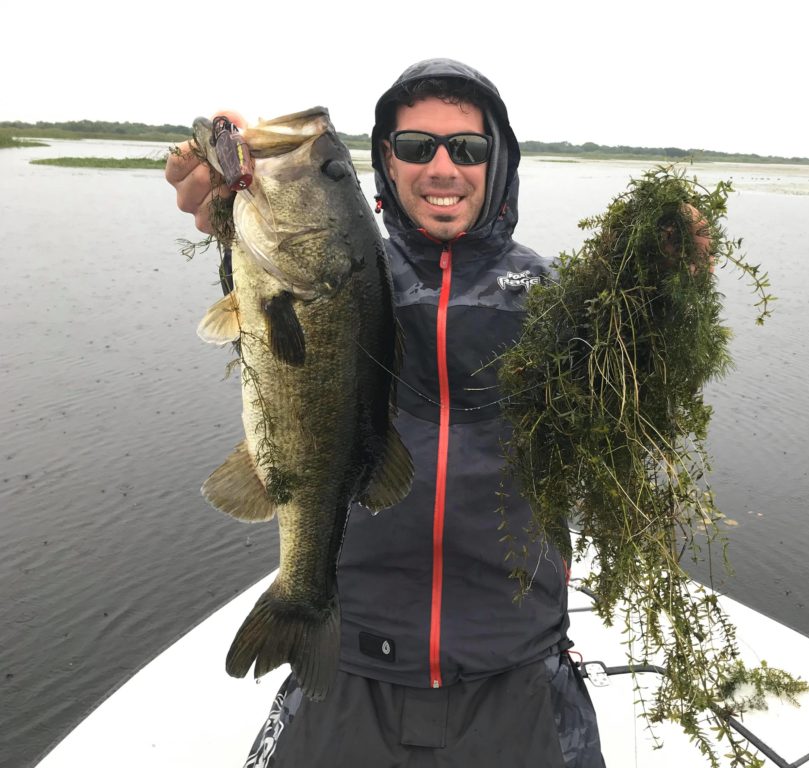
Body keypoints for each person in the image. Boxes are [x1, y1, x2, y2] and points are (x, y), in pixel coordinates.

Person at [167, 58, 609, 767]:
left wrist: (655, 293)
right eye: (415, 147)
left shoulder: (554, 294)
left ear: (500, 163)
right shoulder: (354, 269)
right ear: (385, 161)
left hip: (516, 668)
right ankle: (301, 604)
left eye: (467, 148)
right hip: (350, 660)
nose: (442, 167)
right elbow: (274, 299)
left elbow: (621, 416)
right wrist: (226, 199)